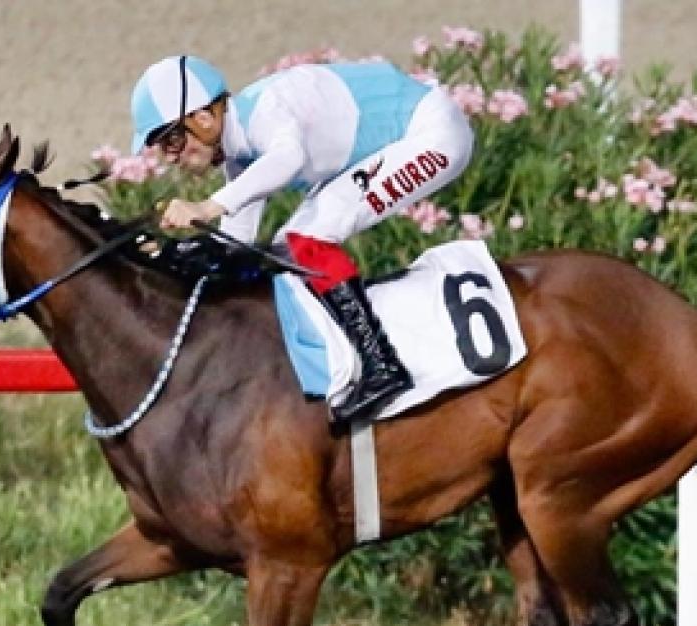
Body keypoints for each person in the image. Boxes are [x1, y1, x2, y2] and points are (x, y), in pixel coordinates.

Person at [129, 54, 475, 424]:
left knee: (304, 238)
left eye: (172, 140)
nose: (172, 157)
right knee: (287, 245)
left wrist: (209, 206)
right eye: (164, 147)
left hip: (431, 134)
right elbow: (234, 242)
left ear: (203, 118)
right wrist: (169, 254)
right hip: (406, 135)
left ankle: (381, 366)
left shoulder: (265, 112)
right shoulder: (239, 153)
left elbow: (288, 158)